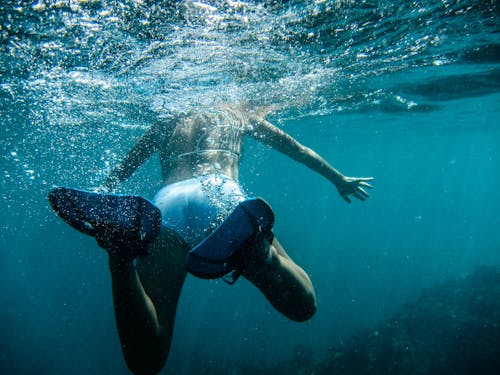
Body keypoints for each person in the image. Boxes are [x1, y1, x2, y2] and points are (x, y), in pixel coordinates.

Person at [52, 103, 372, 375]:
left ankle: (120, 257)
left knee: (145, 362)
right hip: (223, 198)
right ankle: (261, 253)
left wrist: (102, 195)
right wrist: (338, 179)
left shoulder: (165, 121)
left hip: (167, 206)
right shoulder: (237, 112)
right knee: (303, 307)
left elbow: (123, 168)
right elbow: (297, 150)